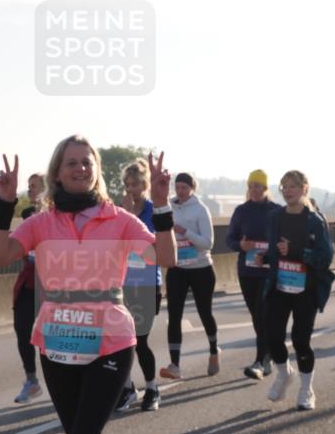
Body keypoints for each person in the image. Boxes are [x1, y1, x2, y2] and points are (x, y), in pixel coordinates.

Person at [0, 137, 175, 434]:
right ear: (57, 172)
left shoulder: (119, 218)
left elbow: (164, 258)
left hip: (110, 340)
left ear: (97, 170)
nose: (79, 168)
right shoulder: (41, 223)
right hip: (57, 341)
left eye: (86, 162)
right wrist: (4, 203)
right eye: (70, 163)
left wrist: (162, 205)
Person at [255, 170, 335, 410]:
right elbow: (278, 249)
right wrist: (267, 257)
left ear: (304, 189)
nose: (288, 191)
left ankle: (306, 389)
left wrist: (297, 251)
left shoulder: (315, 220)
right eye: (284, 187)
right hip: (279, 285)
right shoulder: (275, 216)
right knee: (273, 336)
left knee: (301, 340)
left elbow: (325, 257)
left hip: (306, 288)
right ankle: (284, 373)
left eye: (293, 186)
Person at [115, 158, 164, 412]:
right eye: (127, 184)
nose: (131, 189)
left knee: (141, 340)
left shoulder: (153, 210)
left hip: (147, 283)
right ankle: (127, 389)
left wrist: (133, 217)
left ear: (145, 185)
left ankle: (153, 388)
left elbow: (153, 247)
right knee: (120, 341)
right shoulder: (118, 211)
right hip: (122, 284)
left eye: (136, 184)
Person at [160, 172, 219, 379]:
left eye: (184, 187)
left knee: (205, 313)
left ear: (192, 188)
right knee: (174, 316)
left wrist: (185, 232)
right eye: (177, 187)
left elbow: (208, 243)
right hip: (177, 269)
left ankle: (213, 350)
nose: (180, 191)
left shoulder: (200, 209)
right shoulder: (169, 207)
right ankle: (175, 364)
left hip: (201, 269)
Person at [225, 169, 279, 379]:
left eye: (257, 186)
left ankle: (261, 360)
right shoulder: (241, 211)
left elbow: (285, 237)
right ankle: (268, 355)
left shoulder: (276, 211)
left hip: (269, 271)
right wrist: (241, 244)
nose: (253, 190)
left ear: (265, 188)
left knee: (263, 313)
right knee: (256, 316)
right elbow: (229, 239)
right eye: (250, 186)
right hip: (247, 271)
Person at [13, 173, 46, 403]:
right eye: (28, 186)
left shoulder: (58, 216)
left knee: (50, 337)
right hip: (28, 283)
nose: (29, 190)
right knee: (22, 330)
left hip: (52, 287)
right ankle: (32, 381)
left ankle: (63, 382)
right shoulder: (28, 217)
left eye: (34, 187)